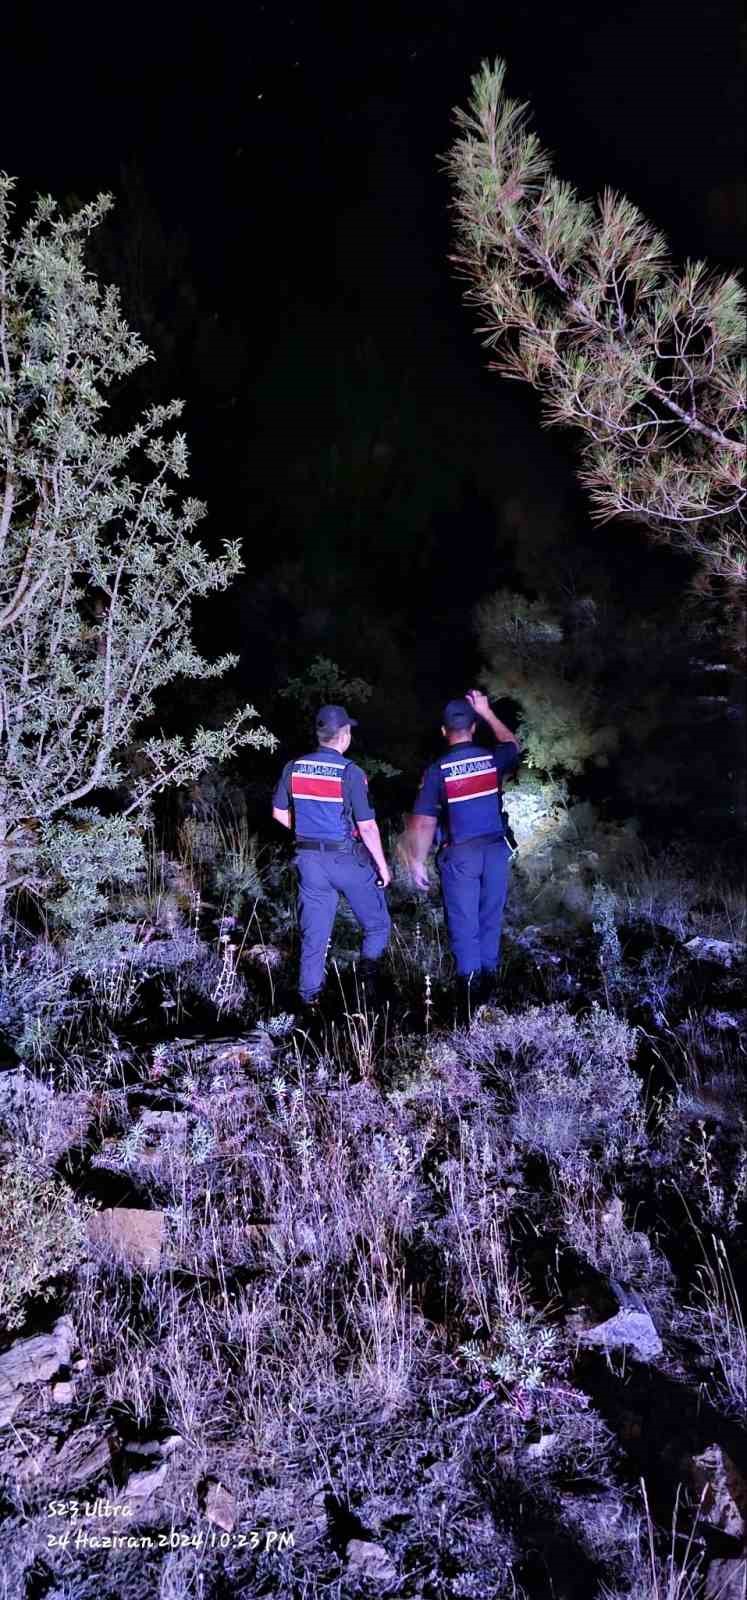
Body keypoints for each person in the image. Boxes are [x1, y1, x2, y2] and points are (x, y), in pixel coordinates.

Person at [405, 690, 520, 1013]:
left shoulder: (437, 770)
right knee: (490, 921)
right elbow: (512, 744)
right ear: (473, 727)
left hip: (461, 857)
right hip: (496, 852)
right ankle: (489, 992)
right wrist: (487, 711)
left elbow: (425, 821)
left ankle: (471, 1002)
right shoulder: (491, 759)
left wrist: (417, 862)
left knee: (464, 925)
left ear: (444, 732)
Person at [272, 704, 392, 1013]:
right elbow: (366, 825)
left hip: (309, 861)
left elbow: (278, 813)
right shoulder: (350, 772)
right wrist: (381, 864)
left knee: (315, 936)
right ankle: (367, 992)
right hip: (345, 858)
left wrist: (306, 833)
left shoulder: (293, 767)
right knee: (376, 925)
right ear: (344, 736)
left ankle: (309, 1003)